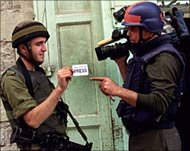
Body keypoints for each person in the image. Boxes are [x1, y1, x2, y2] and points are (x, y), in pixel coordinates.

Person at [91, 2, 184, 150]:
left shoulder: (164, 58)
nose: (128, 34)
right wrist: (122, 64)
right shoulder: (146, 53)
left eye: (132, 29)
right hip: (144, 137)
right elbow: (139, 89)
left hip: (157, 139)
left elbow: (159, 103)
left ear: (148, 30)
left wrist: (118, 90)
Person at [1, 20, 74, 150]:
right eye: (39, 44)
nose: (44, 48)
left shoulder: (38, 73)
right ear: (23, 48)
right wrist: (59, 90)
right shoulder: (12, 78)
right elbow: (32, 120)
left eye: (44, 43)